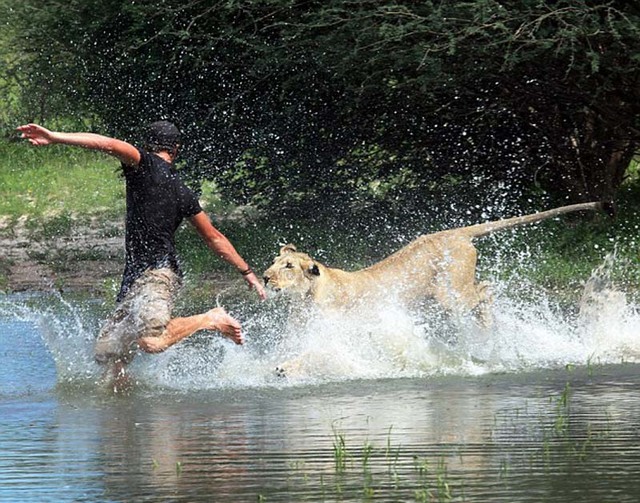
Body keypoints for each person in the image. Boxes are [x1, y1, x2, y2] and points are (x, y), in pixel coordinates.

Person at [17, 121, 267, 384]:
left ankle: (212, 318)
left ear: (147, 145)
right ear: (176, 149)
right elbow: (214, 237)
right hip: (135, 278)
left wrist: (55, 136)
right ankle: (130, 418)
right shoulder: (184, 191)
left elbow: (108, 144)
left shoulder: (144, 164)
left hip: (159, 275)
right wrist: (247, 272)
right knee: (108, 355)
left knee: (152, 341)